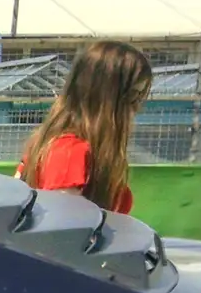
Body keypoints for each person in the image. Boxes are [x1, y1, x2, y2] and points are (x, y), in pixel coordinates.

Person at [18, 39, 152, 215]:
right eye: (133, 96)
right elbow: (61, 231)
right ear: (106, 99)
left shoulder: (54, 144)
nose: (137, 108)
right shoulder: (69, 152)